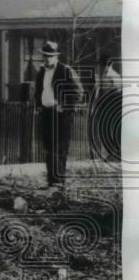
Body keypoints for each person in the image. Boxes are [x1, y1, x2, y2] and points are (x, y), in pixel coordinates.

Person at [34, 40, 84, 188]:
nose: (47, 58)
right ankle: (52, 181)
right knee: (49, 148)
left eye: (51, 55)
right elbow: (39, 91)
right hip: (47, 114)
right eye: (45, 55)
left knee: (58, 148)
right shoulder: (42, 71)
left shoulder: (65, 70)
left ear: (56, 56)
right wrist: (39, 106)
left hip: (61, 115)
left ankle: (58, 181)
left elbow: (78, 92)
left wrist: (65, 106)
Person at [91, 55, 122, 163]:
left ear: (110, 65)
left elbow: (118, 94)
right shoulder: (103, 76)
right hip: (104, 108)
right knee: (104, 131)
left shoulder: (114, 77)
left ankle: (116, 154)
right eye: (102, 65)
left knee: (112, 131)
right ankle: (110, 154)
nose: (103, 67)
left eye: (105, 65)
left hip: (112, 108)